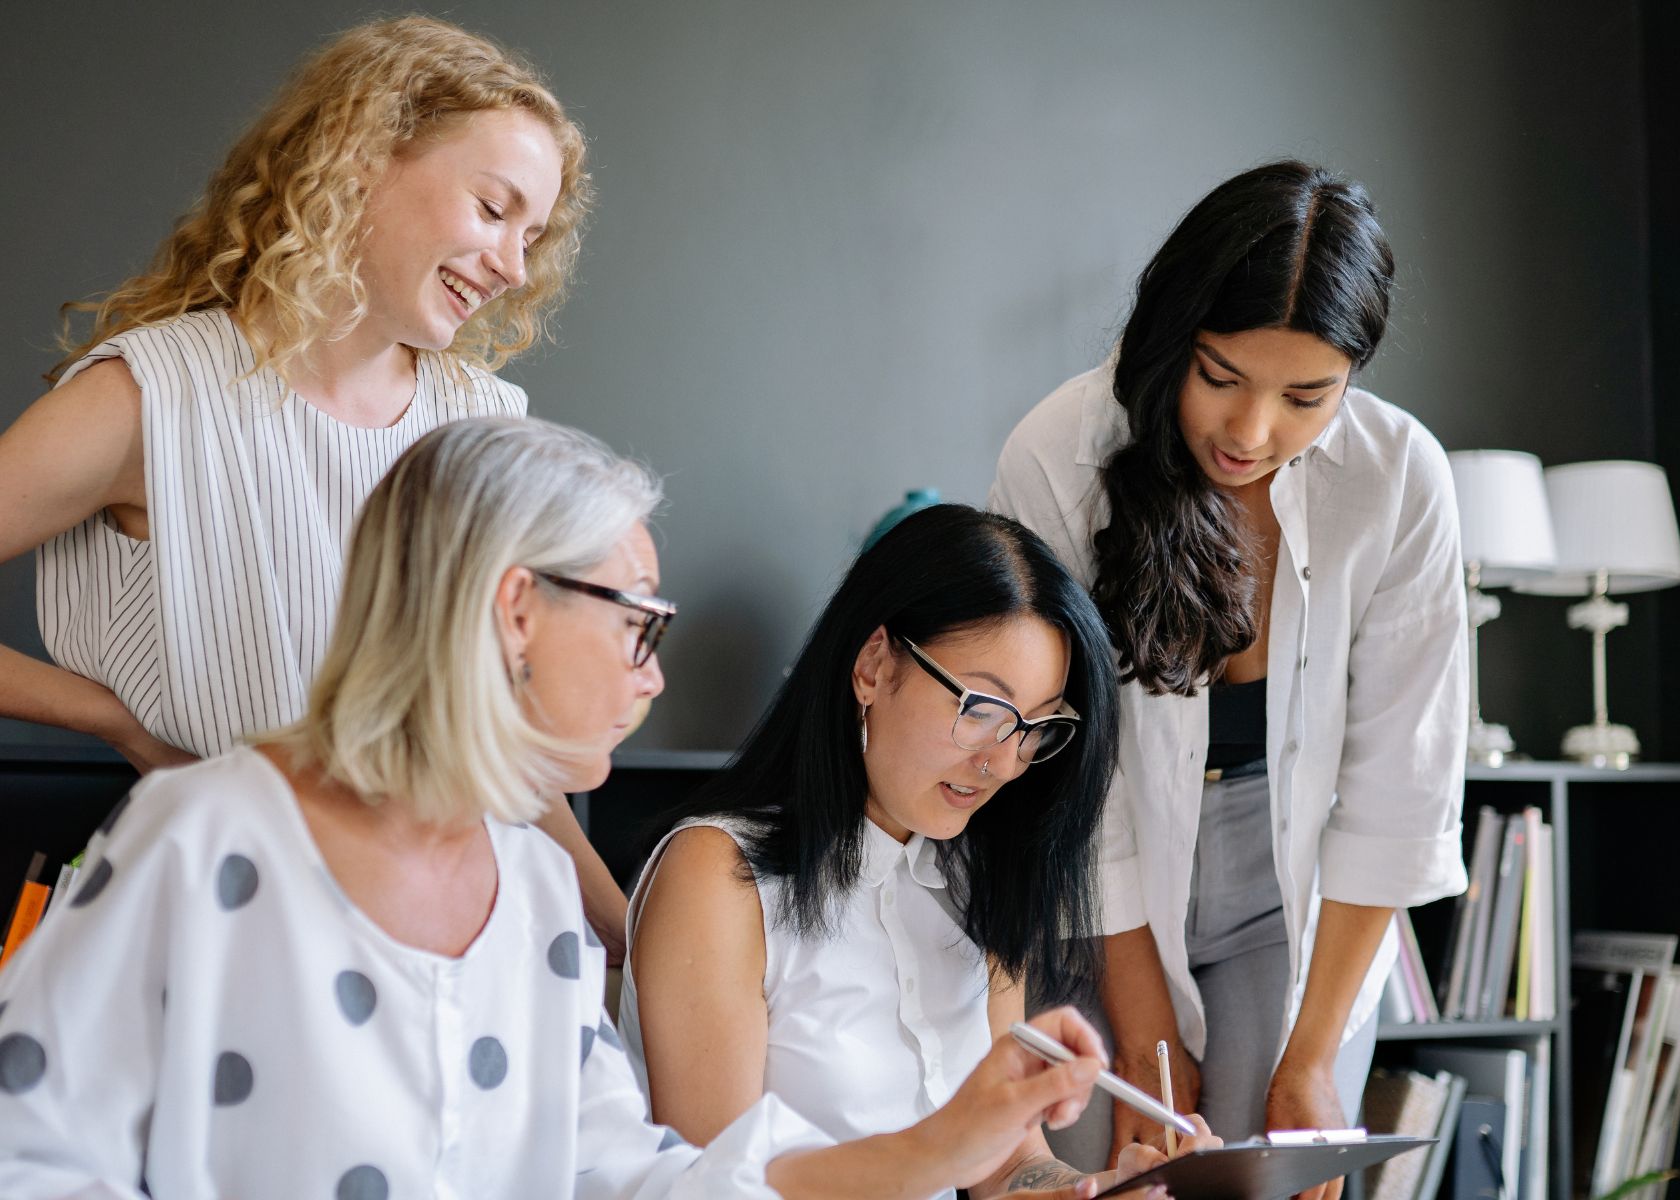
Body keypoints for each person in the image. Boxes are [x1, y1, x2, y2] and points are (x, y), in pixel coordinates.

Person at [0, 417, 1127, 1200]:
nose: (654, 677)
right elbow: (25, 1151)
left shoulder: (534, 893)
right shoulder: (206, 836)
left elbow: (644, 1179)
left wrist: (958, 1144)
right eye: (640, 625)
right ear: (516, 613)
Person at [0, 16, 635, 955]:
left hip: (466, 939)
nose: (512, 266)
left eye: (533, 236)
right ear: (364, 156)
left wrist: (626, 934)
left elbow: (502, 745)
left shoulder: (485, 424)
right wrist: (114, 720)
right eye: (494, 210)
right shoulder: (150, 399)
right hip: (236, 932)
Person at [990, 161, 1470, 1188]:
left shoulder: (1400, 479)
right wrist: (1147, 1032)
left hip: (1286, 888)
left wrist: (1314, 1060)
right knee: (1110, 1172)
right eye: (1220, 378)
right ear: (1174, 338)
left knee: (1269, 1166)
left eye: (1307, 396)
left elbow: (1401, 790)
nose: (1252, 434)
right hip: (1088, 875)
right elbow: (1073, 769)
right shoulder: (1058, 454)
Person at [623, 504, 1219, 1200]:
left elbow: (1009, 1164)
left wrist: (1099, 1191)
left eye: (1034, 728)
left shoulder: (981, 878)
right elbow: (715, 1180)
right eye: (981, 710)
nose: (1003, 762)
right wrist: (942, 1151)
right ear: (874, 665)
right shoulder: (720, 876)